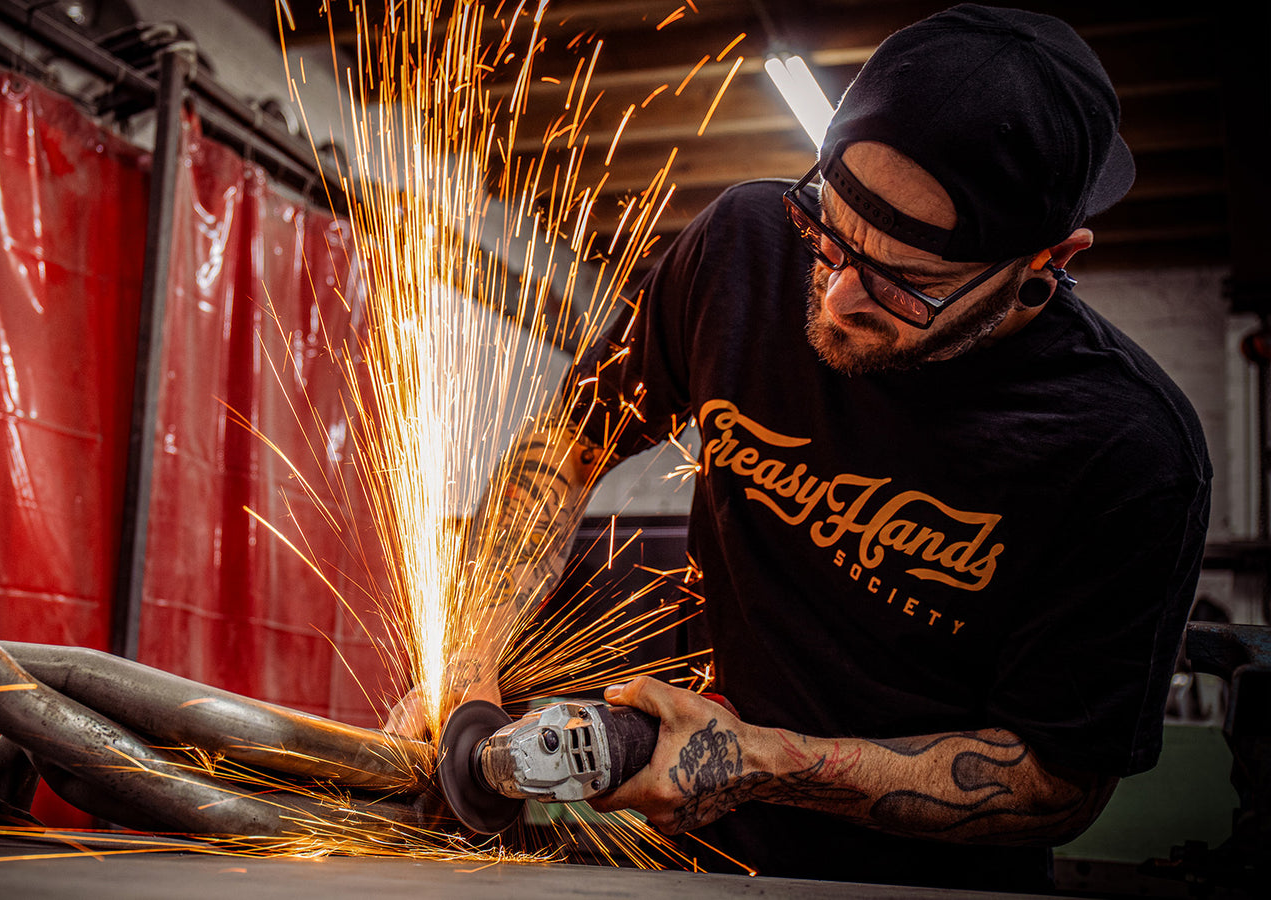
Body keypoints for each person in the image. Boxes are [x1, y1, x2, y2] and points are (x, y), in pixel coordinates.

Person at [386, 4, 1212, 892]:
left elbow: (1056, 783)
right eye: (830, 237)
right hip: (685, 865)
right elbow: (569, 441)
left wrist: (765, 763)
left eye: (907, 285)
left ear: (1048, 260)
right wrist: (471, 659)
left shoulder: (1128, 450)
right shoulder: (741, 247)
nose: (840, 298)